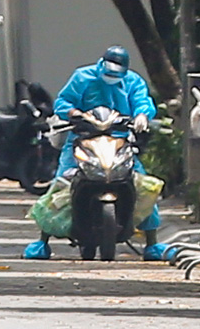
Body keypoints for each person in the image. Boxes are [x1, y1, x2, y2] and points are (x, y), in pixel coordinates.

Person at [26, 46, 161, 259]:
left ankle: (152, 243)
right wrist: (75, 113)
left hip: (119, 140)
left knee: (141, 185)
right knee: (61, 184)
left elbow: (142, 101)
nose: (111, 78)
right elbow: (63, 101)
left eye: (116, 75)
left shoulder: (132, 81)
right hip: (81, 139)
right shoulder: (83, 77)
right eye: (108, 73)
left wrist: (142, 115)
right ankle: (42, 242)